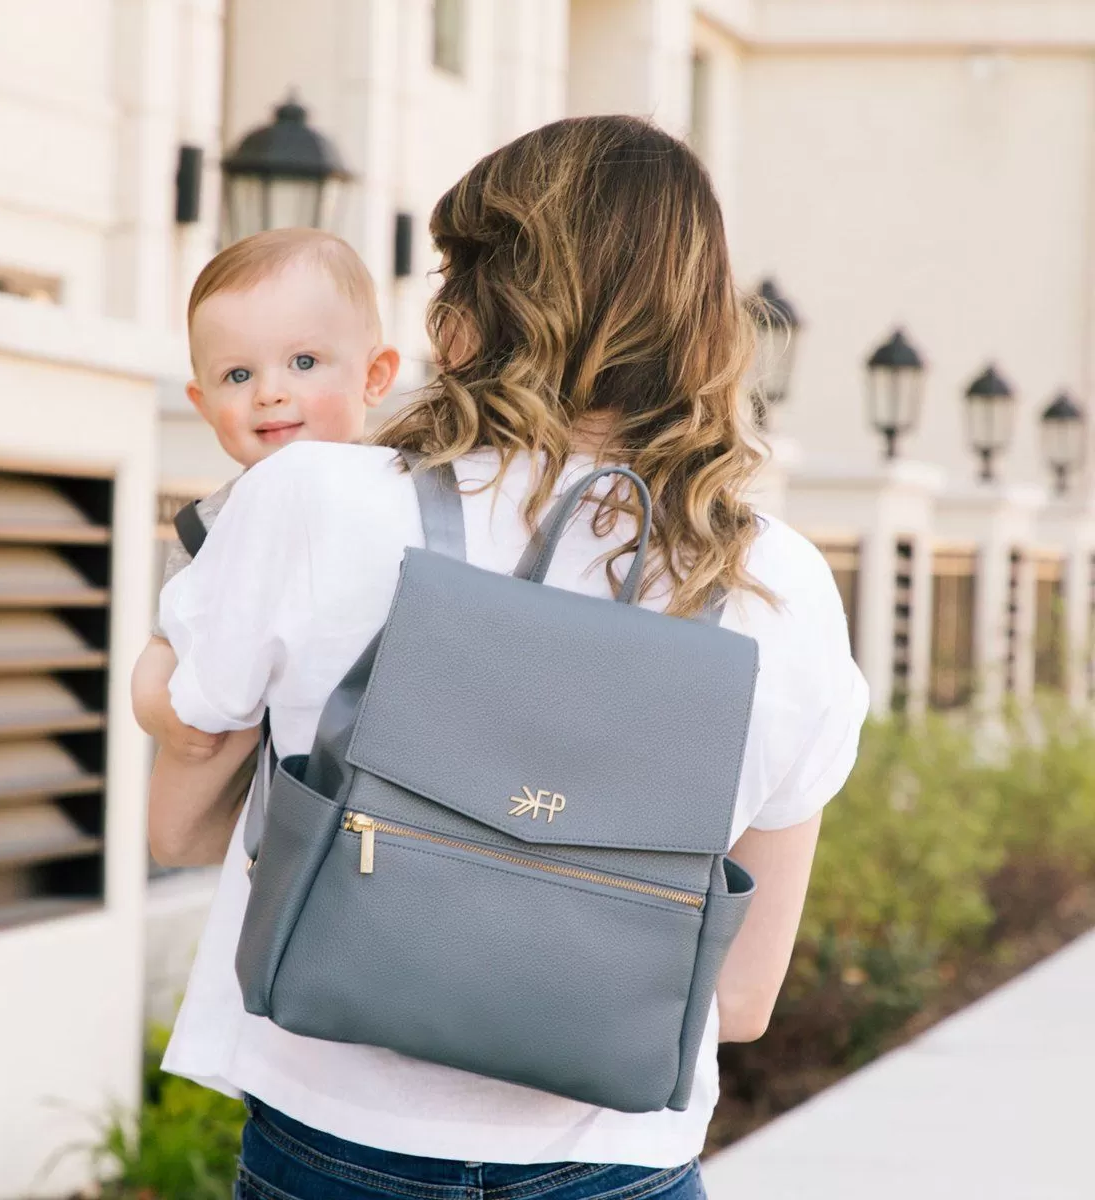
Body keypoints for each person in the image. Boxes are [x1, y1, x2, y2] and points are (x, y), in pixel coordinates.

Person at [148, 115, 869, 1200]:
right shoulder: (780, 585)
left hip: (334, 1138)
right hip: (616, 1163)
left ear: (477, 307)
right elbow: (742, 1001)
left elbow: (179, 826)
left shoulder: (312, 498)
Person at [130, 227, 400, 765]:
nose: (269, 392)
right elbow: (164, 645)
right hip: (288, 772)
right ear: (202, 403)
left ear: (373, 376)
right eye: (237, 374)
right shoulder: (209, 525)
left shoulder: (406, 489)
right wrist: (157, 710)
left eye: (303, 363)